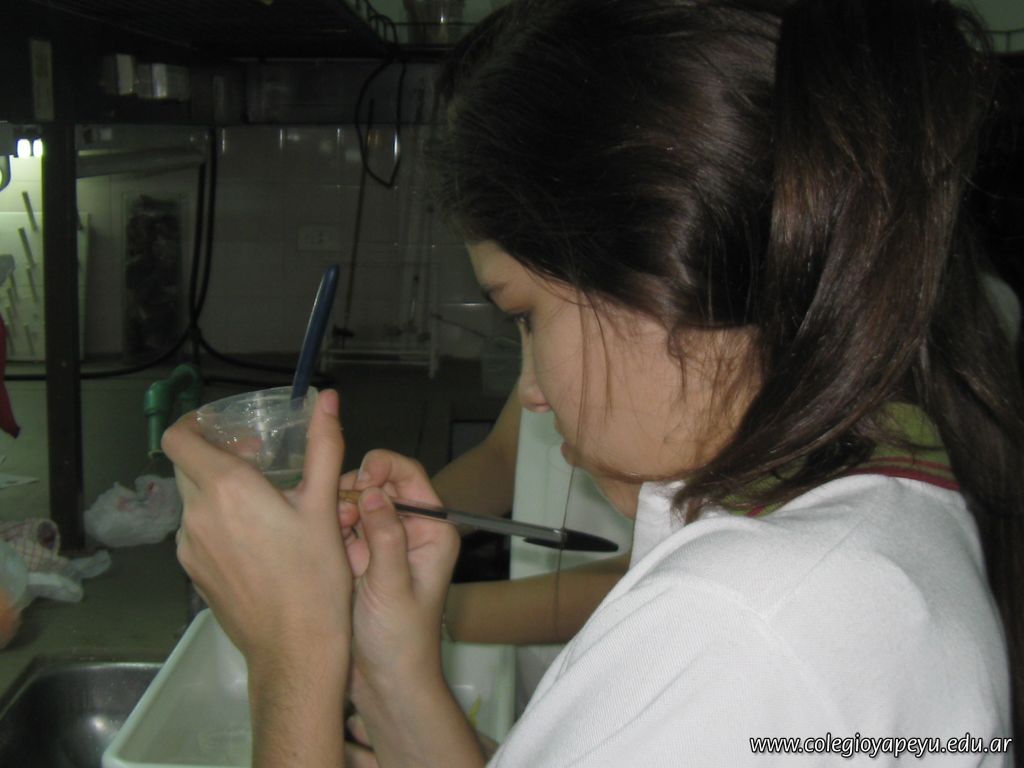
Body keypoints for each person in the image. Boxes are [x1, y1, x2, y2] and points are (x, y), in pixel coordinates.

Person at [163, 0, 1023, 765]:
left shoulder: (740, 629)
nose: (533, 393)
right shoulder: (854, 530)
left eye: (526, 315)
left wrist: (295, 655)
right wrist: (393, 669)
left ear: (664, 265)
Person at [432, 391, 633, 713]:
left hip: (610, 678)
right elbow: (505, 455)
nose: (528, 390)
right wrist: (409, 518)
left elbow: (638, 578)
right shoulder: (538, 382)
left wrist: (433, 610)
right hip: (527, 659)